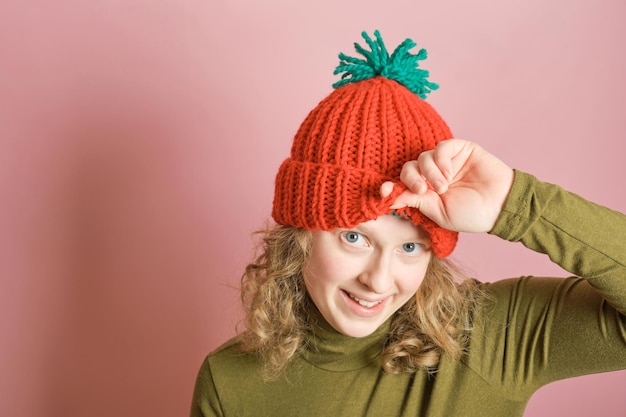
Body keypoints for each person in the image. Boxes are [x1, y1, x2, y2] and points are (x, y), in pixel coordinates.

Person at [190, 31, 626, 417]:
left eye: (411, 247)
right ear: (299, 237)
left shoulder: (496, 336)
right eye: (355, 237)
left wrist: (514, 202)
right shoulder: (230, 383)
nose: (379, 281)